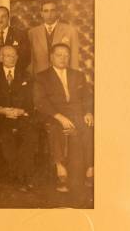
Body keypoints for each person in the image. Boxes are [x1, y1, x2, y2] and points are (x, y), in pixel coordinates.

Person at [33, 43, 94, 199]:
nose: (63, 58)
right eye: (59, 55)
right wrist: (59, 116)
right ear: (51, 57)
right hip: (53, 114)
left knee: (88, 126)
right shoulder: (41, 77)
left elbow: (87, 97)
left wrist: (88, 112)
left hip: (76, 113)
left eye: (66, 55)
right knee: (56, 128)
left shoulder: (78, 75)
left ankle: (90, 168)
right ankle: (61, 169)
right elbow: (40, 101)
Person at [0, 45, 35, 192]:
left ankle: (18, 174)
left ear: (17, 57)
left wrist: (21, 111)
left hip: (21, 115)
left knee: (30, 135)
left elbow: (32, 99)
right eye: (7, 55)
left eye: (13, 55)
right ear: (0, 58)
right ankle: (21, 176)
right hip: (1, 117)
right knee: (6, 137)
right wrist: (0, 110)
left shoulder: (26, 75)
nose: (11, 58)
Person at [27, 1, 79, 73]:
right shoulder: (32, 33)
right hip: (40, 75)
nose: (49, 14)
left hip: (63, 75)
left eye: (52, 10)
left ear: (57, 12)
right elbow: (31, 60)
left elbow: (74, 59)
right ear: (41, 14)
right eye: (46, 11)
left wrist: (74, 76)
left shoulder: (70, 31)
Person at [0, 6, 31, 79]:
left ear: (8, 18)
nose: (0, 20)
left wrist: (13, 72)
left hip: (14, 76)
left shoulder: (20, 34)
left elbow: (26, 57)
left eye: (3, 16)